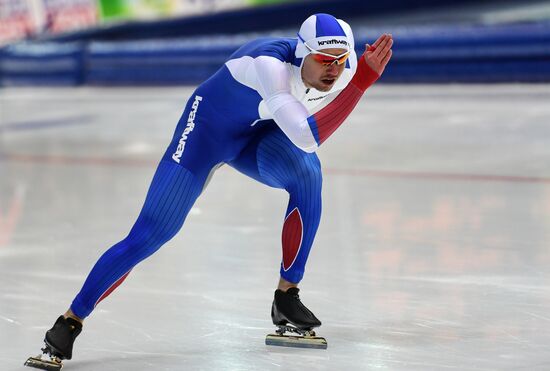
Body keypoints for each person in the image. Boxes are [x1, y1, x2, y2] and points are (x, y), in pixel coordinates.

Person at [26, 12, 393, 368]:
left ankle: (287, 295)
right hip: (208, 131)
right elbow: (306, 136)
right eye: (324, 59)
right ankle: (70, 321)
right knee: (152, 233)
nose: (335, 68)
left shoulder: (343, 70)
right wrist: (361, 83)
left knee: (308, 177)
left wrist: (354, 75)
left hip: (257, 131)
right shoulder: (270, 66)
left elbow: (307, 132)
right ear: (301, 54)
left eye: (341, 60)